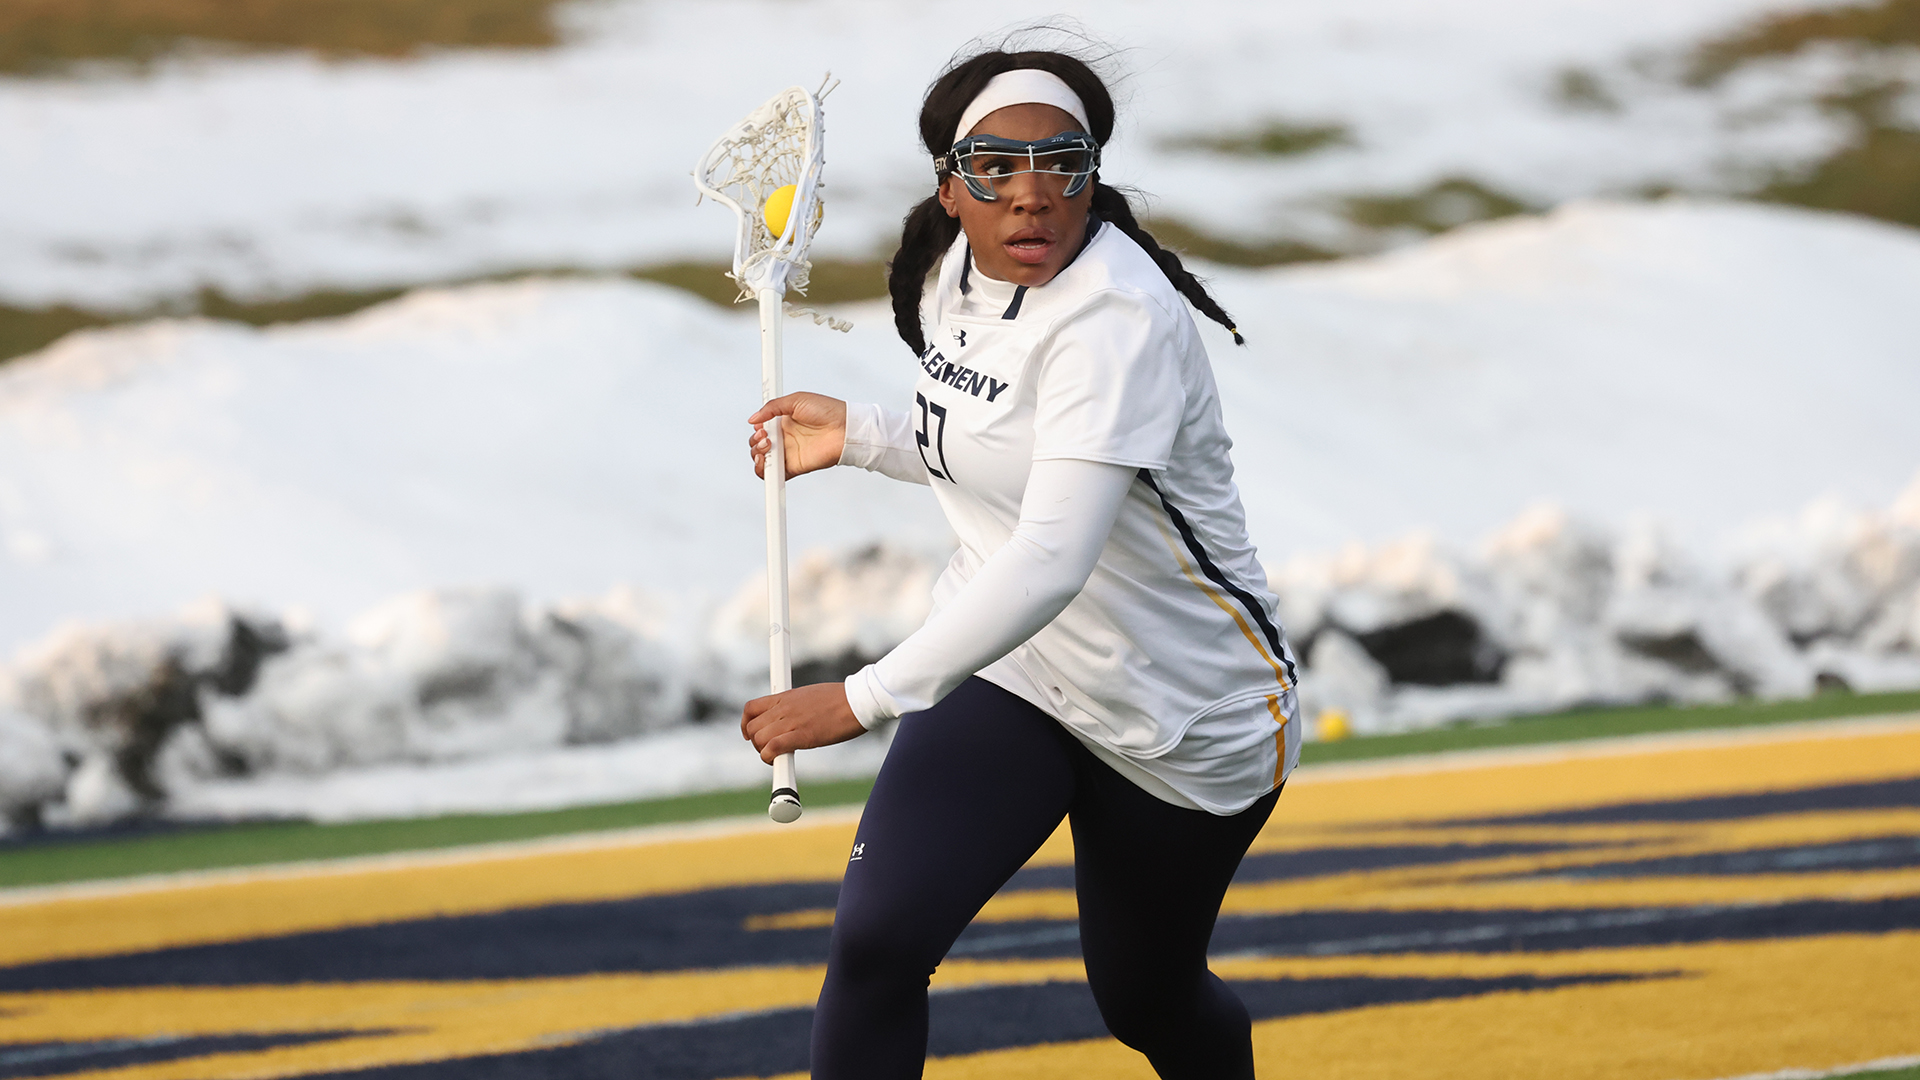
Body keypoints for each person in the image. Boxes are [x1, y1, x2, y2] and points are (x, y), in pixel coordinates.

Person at [741, 46, 1301, 1080]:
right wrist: (862, 433)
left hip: (1176, 715)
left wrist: (861, 701)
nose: (1032, 195)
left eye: (1063, 163)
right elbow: (993, 437)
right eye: (997, 167)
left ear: (1095, 174)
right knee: (876, 945)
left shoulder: (1115, 319)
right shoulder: (955, 270)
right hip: (1014, 672)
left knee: (1148, 1001)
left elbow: (1051, 555)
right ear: (950, 187)